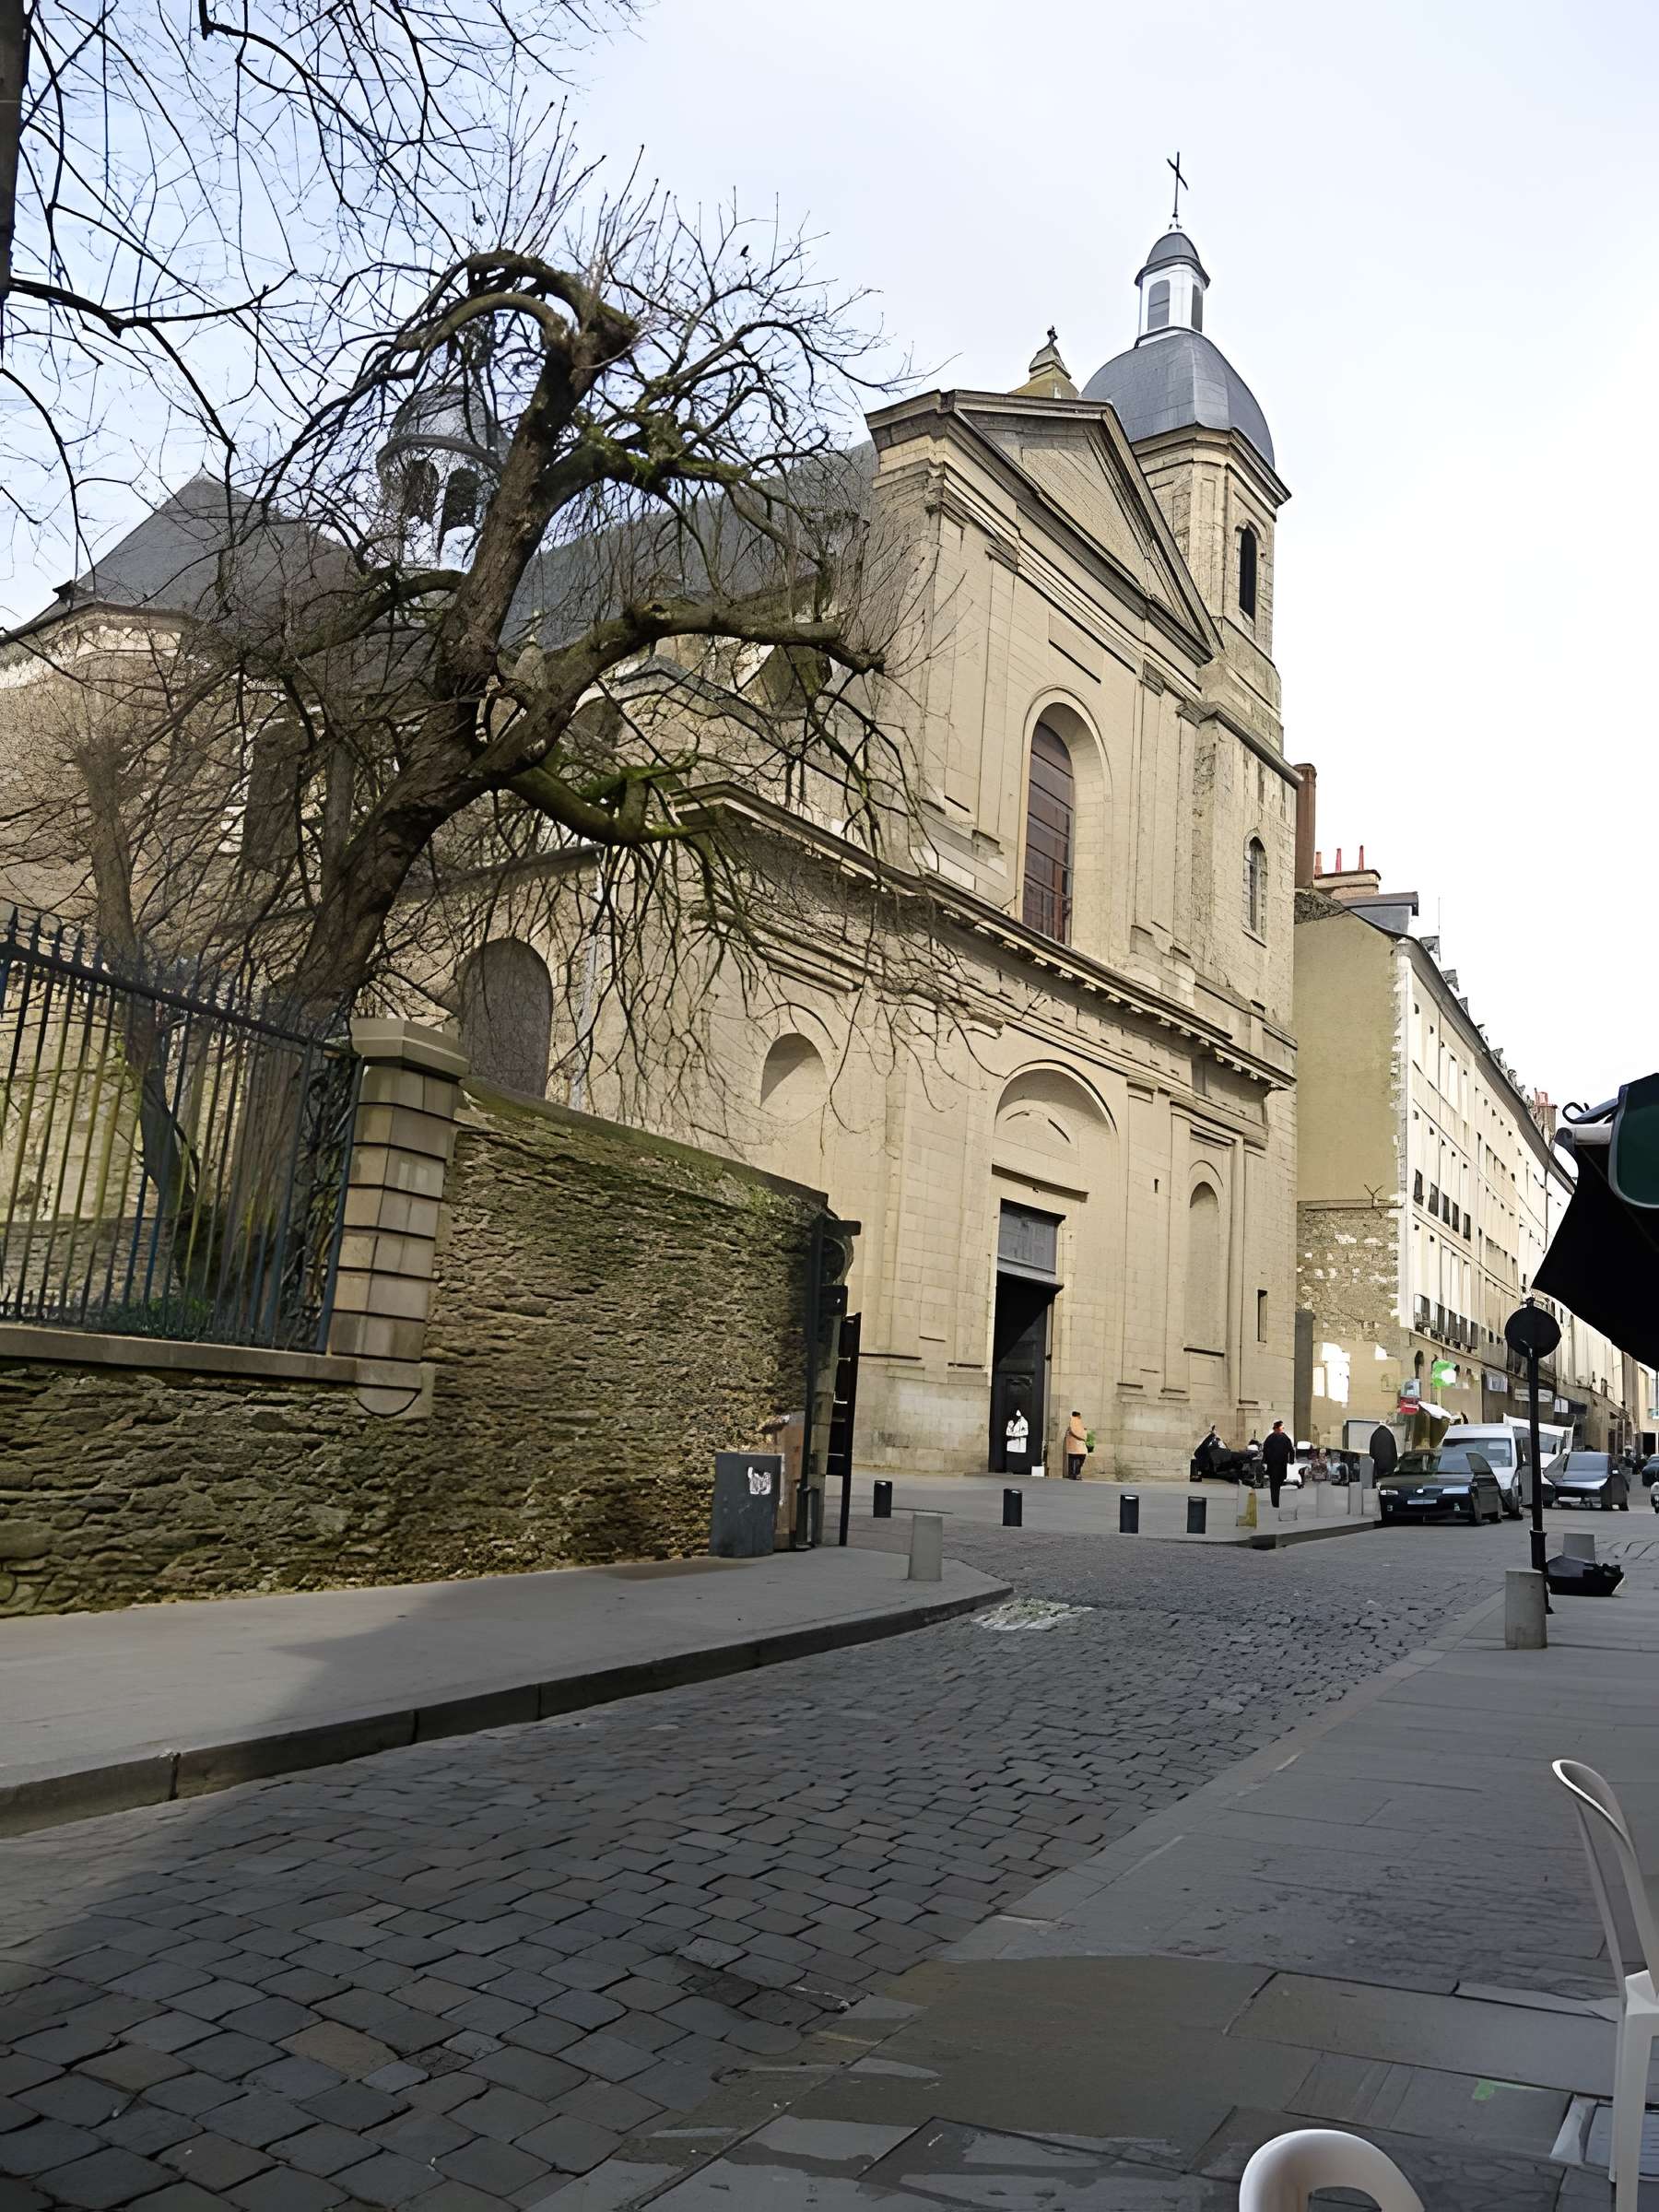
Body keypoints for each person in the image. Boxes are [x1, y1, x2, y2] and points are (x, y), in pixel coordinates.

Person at [1263, 1419, 1293, 1508]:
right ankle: (1278, 1501)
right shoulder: (1285, 1438)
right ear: (1279, 1428)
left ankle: (1275, 1502)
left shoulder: (1269, 1438)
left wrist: (1265, 1462)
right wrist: (1291, 1460)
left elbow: (1265, 1451)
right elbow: (1291, 1450)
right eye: (1282, 1427)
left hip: (1272, 1465)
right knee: (1279, 1483)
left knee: (1274, 1484)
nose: (1283, 1428)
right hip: (1281, 1464)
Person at [1064, 1410, 1089, 1481]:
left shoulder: (1076, 1421)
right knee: (1079, 1457)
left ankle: (1074, 1474)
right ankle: (1074, 1474)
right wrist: (1084, 1435)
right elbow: (1076, 1431)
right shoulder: (1074, 1421)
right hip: (1076, 1444)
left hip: (1076, 1445)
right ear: (1077, 1415)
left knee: (1076, 1459)